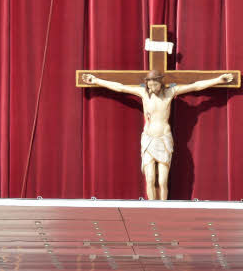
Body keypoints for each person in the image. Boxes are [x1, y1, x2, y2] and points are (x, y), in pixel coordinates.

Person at [81, 70, 234, 200]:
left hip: (164, 139)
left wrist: (218, 80)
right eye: (150, 84)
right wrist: (96, 80)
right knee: (150, 179)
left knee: (162, 180)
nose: (152, 87)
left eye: (155, 84)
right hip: (148, 139)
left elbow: (195, 86)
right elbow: (120, 88)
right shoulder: (143, 93)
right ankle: (151, 208)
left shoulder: (170, 93)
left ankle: (162, 207)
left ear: (161, 83)